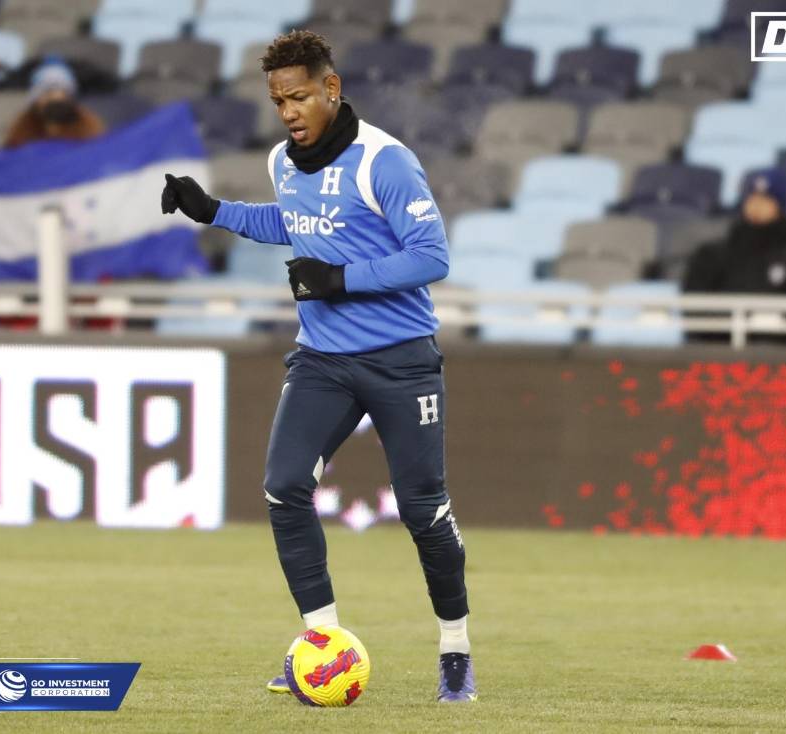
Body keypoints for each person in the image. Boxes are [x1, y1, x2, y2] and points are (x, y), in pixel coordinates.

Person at [160, 30, 475, 703]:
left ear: (332, 89)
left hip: (400, 361)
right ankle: (322, 645)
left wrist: (340, 279)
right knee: (282, 489)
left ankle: (455, 650)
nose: (290, 111)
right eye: (279, 101)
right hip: (322, 360)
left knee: (424, 511)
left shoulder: (384, 161)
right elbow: (293, 224)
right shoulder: (284, 160)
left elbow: (431, 257)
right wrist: (210, 209)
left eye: (300, 96)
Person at [683, 168, 786, 296]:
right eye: (752, 199)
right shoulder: (712, 256)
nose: (757, 207)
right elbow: (694, 305)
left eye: (765, 200)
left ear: (779, 206)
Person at [2, 56, 105, 149]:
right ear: (35, 99)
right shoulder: (23, 127)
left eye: (63, 91)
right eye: (48, 92)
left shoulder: (88, 125)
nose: (56, 97)